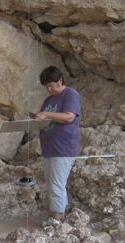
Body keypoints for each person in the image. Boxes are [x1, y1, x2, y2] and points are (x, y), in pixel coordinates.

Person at [33, 66, 82, 225]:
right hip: (49, 148)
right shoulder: (48, 100)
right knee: (50, 181)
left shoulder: (70, 95)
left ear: (60, 81)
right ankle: (59, 214)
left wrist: (46, 114)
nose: (49, 89)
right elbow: (43, 119)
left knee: (56, 183)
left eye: (51, 85)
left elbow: (69, 117)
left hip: (64, 148)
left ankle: (57, 220)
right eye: (46, 86)